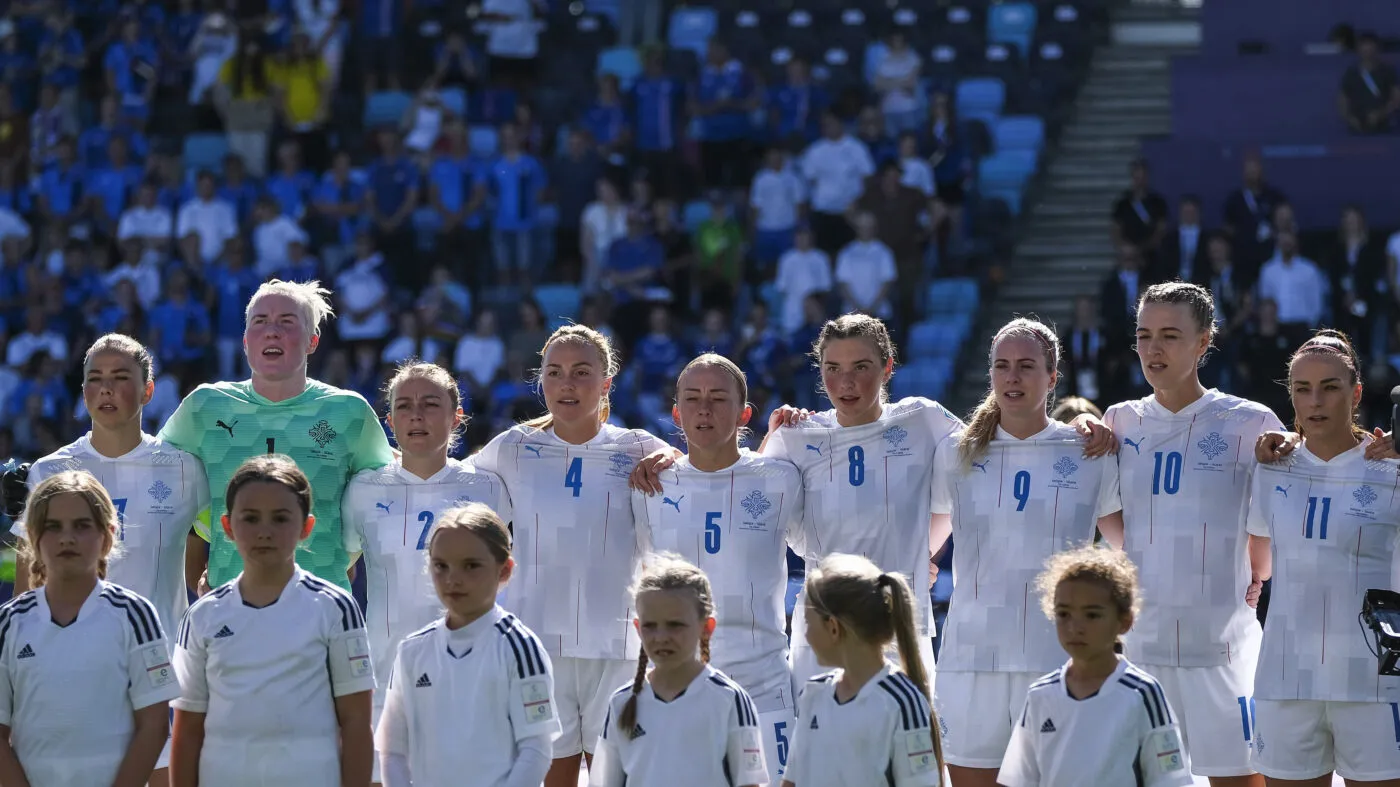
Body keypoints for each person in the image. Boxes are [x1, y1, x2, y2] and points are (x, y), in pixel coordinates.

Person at [637, 314, 1110, 688]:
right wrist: (671, 457)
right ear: (820, 374)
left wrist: (1073, 431)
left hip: (902, 625)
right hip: (823, 626)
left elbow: (992, 451)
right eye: (833, 369)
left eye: (861, 367)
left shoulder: (923, 419)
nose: (847, 382)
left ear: (887, 368)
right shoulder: (797, 435)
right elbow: (734, 477)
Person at [468, 324, 677, 787]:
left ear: (606, 382)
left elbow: (713, 474)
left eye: (582, 372)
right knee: (553, 776)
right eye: (555, 372)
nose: (567, 383)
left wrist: (673, 461)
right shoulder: (512, 448)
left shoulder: (643, 449)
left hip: (619, 645)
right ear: (539, 381)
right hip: (538, 643)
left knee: (615, 777)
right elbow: (448, 490)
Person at [3, 334, 208, 783]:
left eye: (120, 378)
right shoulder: (50, 470)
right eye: (94, 379)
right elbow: (27, 591)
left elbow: (216, 553)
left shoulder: (186, 469)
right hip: (70, 682)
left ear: (149, 390)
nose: (106, 389)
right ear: (82, 393)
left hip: (163, 684)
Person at [1097, 281, 1278, 787]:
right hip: (1143, 648)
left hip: (1222, 646)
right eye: (1144, 335)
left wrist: (1259, 572)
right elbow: (1111, 520)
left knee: (1240, 778)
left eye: (1170, 335)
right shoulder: (1121, 420)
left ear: (1204, 342)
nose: (1153, 349)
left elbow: (1274, 521)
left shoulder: (1250, 422)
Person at [928, 319, 1121, 787]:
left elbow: (1129, 547)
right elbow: (922, 547)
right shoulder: (955, 453)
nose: (1012, 377)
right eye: (1002, 366)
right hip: (972, 656)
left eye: (1026, 366)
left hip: (1057, 653)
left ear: (1052, 377)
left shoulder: (1088, 451)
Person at [158, 279, 395, 592]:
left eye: (287, 321)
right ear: (245, 341)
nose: (272, 330)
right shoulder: (203, 406)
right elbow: (158, 482)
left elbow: (384, 502)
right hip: (229, 609)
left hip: (322, 610)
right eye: (260, 321)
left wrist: (341, 563)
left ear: (312, 341)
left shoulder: (349, 411)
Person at [631, 354, 803, 782]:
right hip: (677, 684)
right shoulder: (649, 486)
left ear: (745, 413)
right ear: (676, 412)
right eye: (692, 398)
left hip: (763, 682)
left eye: (718, 398)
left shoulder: (781, 479)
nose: (704, 409)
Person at [342, 362, 513, 783]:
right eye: (404, 406)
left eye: (430, 404)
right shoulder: (363, 489)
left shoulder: (487, 486)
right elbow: (340, 573)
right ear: (390, 421)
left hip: (469, 675)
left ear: (457, 416)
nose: (416, 415)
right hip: (386, 673)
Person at [1244, 331, 1400, 785]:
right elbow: (1260, 566)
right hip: (1286, 679)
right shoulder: (1270, 467)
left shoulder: (1391, 472)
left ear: (1355, 393)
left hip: (1374, 682)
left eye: (1330, 387)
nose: (1315, 400)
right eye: (1302, 388)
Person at [170, 455, 376, 787]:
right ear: (227, 527)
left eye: (280, 518)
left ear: (306, 527)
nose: (264, 531)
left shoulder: (336, 608)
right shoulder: (202, 616)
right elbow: (188, 730)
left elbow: (355, 723)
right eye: (250, 518)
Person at [0, 471, 180, 787]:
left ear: (107, 536)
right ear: (32, 537)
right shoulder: (10, 623)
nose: (67, 537)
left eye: (82, 526)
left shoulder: (135, 615)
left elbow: (153, 724)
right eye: (52, 527)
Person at [375, 503, 559, 787]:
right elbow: (392, 750)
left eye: (471, 565)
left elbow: (536, 749)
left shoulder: (520, 648)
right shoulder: (412, 651)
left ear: (504, 571)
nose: (453, 579)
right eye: (441, 566)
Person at [996, 546, 1193, 787]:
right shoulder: (1040, 695)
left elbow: (1171, 781)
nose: (1075, 627)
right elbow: (1018, 781)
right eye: (1064, 614)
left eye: (1092, 615)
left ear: (1124, 621)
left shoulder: (1143, 693)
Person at [590, 554, 768, 787]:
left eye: (675, 625)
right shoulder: (621, 703)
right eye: (650, 626)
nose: (661, 637)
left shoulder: (729, 700)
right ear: (637, 628)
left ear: (706, 627)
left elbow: (750, 783)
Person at [780, 553, 943, 787]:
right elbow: (791, 782)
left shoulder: (902, 702)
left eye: (808, 623)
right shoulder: (814, 694)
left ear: (833, 628)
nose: (804, 635)